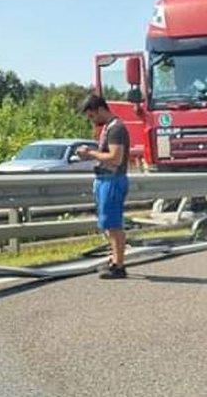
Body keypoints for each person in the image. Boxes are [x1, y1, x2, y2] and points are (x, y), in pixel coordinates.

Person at [76, 94, 130, 279]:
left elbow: (116, 157)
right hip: (104, 179)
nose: (92, 120)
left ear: (100, 110)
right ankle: (114, 259)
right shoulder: (108, 127)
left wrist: (90, 153)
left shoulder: (116, 128)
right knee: (107, 223)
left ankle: (119, 266)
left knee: (113, 225)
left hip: (112, 180)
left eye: (92, 116)